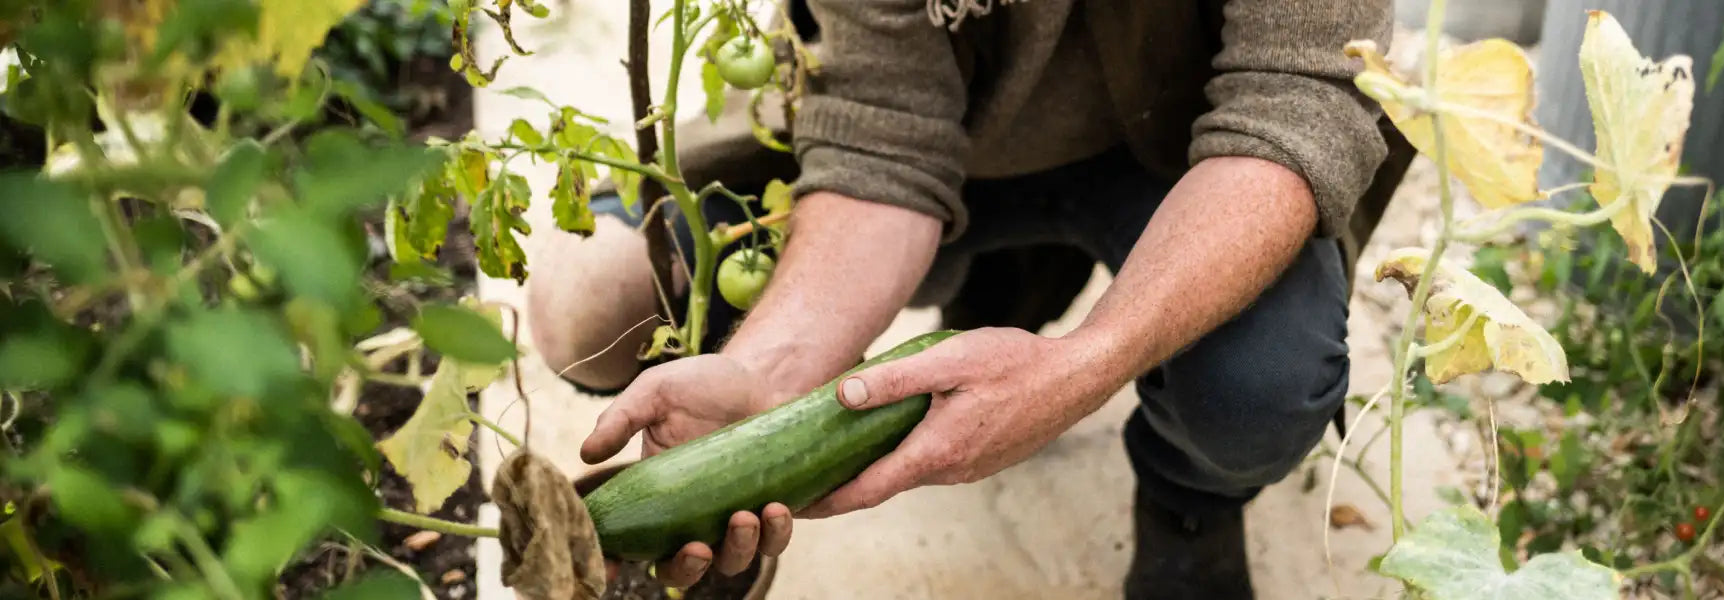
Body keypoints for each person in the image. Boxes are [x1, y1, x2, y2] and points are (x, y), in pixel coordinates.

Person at [526, 0, 1408, 596]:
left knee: (1264, 389)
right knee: (593, 306)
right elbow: (882, 137)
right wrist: (771, 371)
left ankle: (1189, 502)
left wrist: (1085, 366)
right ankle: (998, 290)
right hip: (948, 141)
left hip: (1192, 154)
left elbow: (1295, 104)